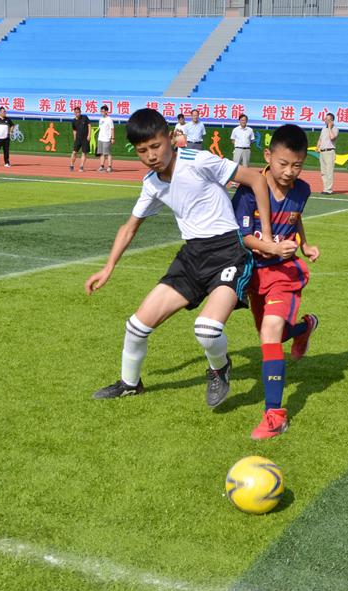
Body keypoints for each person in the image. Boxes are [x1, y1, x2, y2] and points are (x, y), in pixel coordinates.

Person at [85, 108, 274, 408]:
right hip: (191, 256)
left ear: (170, 138)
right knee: (136, 326)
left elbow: (256, 179)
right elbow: (129, 227)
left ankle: (219, 367)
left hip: (228, 253)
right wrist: (107, 268)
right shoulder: (152, 183)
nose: (151, 155)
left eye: (156, 146)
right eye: (142, 150)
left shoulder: (197, 161)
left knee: (207, 330)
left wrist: (265, 231)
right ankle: (130, 384)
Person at [231, 124, 320, 440]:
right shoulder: (247, 193)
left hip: (284, 273)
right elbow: (242, 237)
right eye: (283, 164)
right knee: (271, 334)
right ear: (268, 156)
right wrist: (269, 246)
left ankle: (275, 415)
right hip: (255, 273)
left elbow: (296, 219)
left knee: (269, 332)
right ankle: (304, 327)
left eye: (297, 165)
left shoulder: (302, 190)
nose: (289, 171)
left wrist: (304, 244)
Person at [317, 112, 338, 194]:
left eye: (328, 119)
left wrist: (329, 128)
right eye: (325, 119)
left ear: (332, 121)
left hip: (329, 152)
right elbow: (320, 139)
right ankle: (325, 188)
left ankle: (329, 190)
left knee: (329, 171)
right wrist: (317, 146)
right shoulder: (323, 129)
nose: (325, 120)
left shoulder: (335, 129)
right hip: (322, 152)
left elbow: (332, 138)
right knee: (323, 172)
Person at [70, 106, 91, 172]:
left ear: (80, 112)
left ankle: (81, 166)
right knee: (74, 152)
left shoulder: (85, 117)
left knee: (84, 153)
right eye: (76, 112)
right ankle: (71, 165)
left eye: (78, 112)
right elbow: (74, 130)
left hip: (85, 139)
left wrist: (89, 135)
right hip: (78, 139)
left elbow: (89, 125)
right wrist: (75, 138)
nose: (77, 113)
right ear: (74, 113)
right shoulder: (73, 121)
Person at [97, 104, 115, 173]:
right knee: (101, 153)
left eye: (103, 111)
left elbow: (112, 129)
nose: (102, 112)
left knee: (108, 153)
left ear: (106, 111)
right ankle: (102, 166)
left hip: (107, 139)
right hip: (100, 138)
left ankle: (109, 167)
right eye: (101, 111)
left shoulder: (109, 119)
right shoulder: (101, 119)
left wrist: (113, 138)